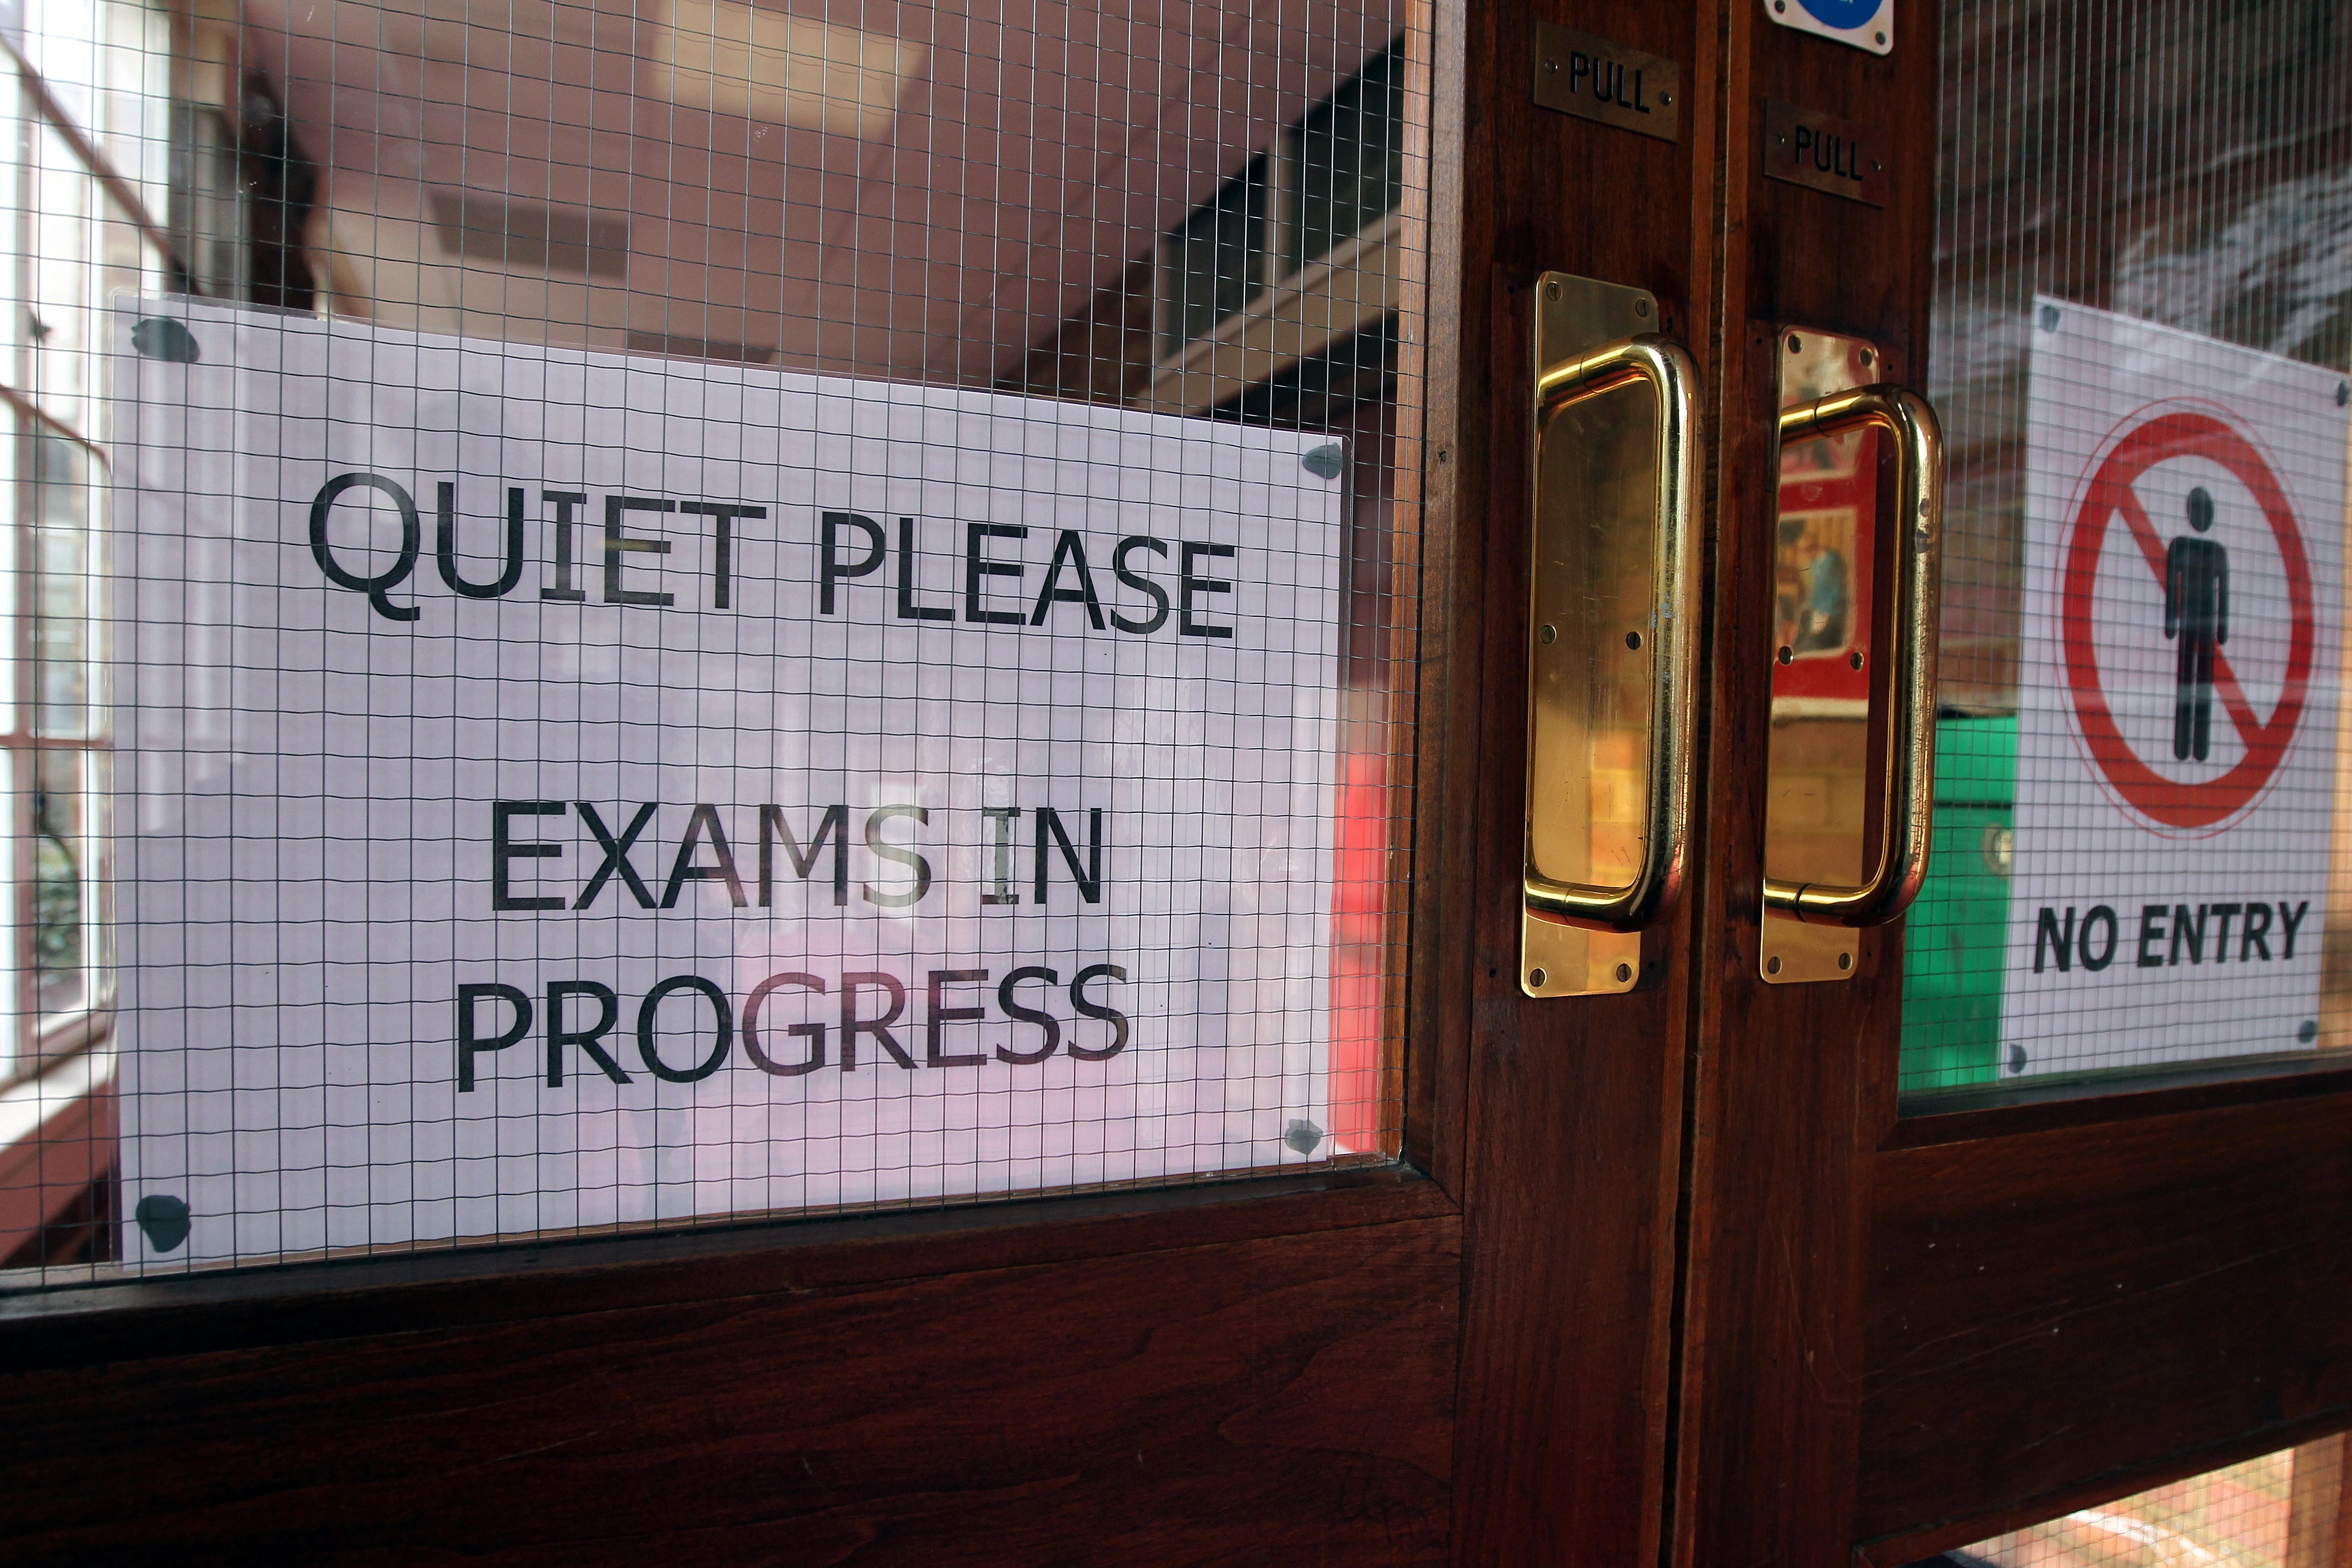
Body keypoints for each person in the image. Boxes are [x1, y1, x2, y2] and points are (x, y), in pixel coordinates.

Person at [2165, 485, 2229, 762]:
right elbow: (2171, 588)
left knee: (2202, 687)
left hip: (2205, 627)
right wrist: (2170, 621)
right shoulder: (2180, 546)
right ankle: (2182, 747)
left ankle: (2200, 748)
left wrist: (2222, 629)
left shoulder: (2216, 552)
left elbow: (2223, 592)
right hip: (2189, 626)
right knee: (2185, 686)